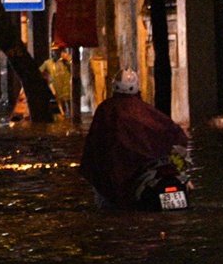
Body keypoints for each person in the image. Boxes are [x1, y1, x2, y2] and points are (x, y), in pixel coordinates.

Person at [78, 74, 185, 208]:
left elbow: (95, 142)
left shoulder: (106, 109)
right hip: (148, 170)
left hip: (123, 175)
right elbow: (174, 133)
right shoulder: (146, 110)